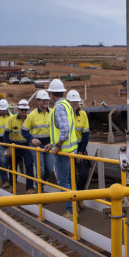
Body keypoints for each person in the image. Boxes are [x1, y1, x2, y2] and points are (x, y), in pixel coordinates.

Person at [44, 79, 78, 219]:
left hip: (63, 151)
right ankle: (74, 207)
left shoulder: (58, 107)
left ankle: (70, 211)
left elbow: (65, 129)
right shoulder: (67, 105)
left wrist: (57, 146)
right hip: (70, 150)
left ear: (51, 93)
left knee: (63, 182)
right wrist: (52, 144)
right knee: (70, 181)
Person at [22, 90, 53, 190]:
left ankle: (41, 184)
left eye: (47, 100)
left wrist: (52, 143)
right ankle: (40, 191)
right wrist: (31, 139)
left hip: (49, 145)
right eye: (43, 100)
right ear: (38, 101)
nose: (45, 102)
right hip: (36, 146)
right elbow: (24, 131)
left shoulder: (52, 112)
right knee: (41, 169)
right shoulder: (32, 115)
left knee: (49, 169)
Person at [4, 99, 35, 194]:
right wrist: (9, 147)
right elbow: (6, 135)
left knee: (29, 165)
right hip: (14, 145)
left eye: (25, 110)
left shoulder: (30, 119)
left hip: (26, 146)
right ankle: (12, 185)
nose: (23, 112)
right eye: (22, 110)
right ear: (18, 109)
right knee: (13, 166)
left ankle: (29, 188)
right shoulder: (11, 119)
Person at [66, 89, 90, 191]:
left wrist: (81, 151)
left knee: (84, 174)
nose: (75, 104)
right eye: (73, 102)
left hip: (80, 147)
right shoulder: (65, 116)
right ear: (68, 102)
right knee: (68, 176)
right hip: (67, 148)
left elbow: (86, 134)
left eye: (76, 102)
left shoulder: (83, 114)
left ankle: (79, 195)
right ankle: (71, 198)